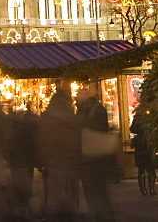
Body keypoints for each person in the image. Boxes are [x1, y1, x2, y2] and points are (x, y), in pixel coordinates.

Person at [38, 88, 80, 221]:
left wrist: (41, 159)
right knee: (70, 187)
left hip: (52, 159)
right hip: (68, 158)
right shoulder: (69, 117)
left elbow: (41, 138)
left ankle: (53, 215)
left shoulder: (46, 117)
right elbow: (74, 138)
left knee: (54, 190)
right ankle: (71, 213)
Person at [75, 86, 115, 222]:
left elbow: (79, 127)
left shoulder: (86, 109)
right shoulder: (99, 108)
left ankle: (98, 213)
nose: (78, 95)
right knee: (100, 187)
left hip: (89, 156)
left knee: (92, 188)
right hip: (100, 156)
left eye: (81, 93)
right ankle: (104, 213)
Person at [129, 108, 155, 196]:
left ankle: (143, 189)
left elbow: (132, 129)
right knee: (151, 167)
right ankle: (151, 188)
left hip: (140, 145)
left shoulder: (138, 117)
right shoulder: (152, 115)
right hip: (150, 143)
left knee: (141, 168)